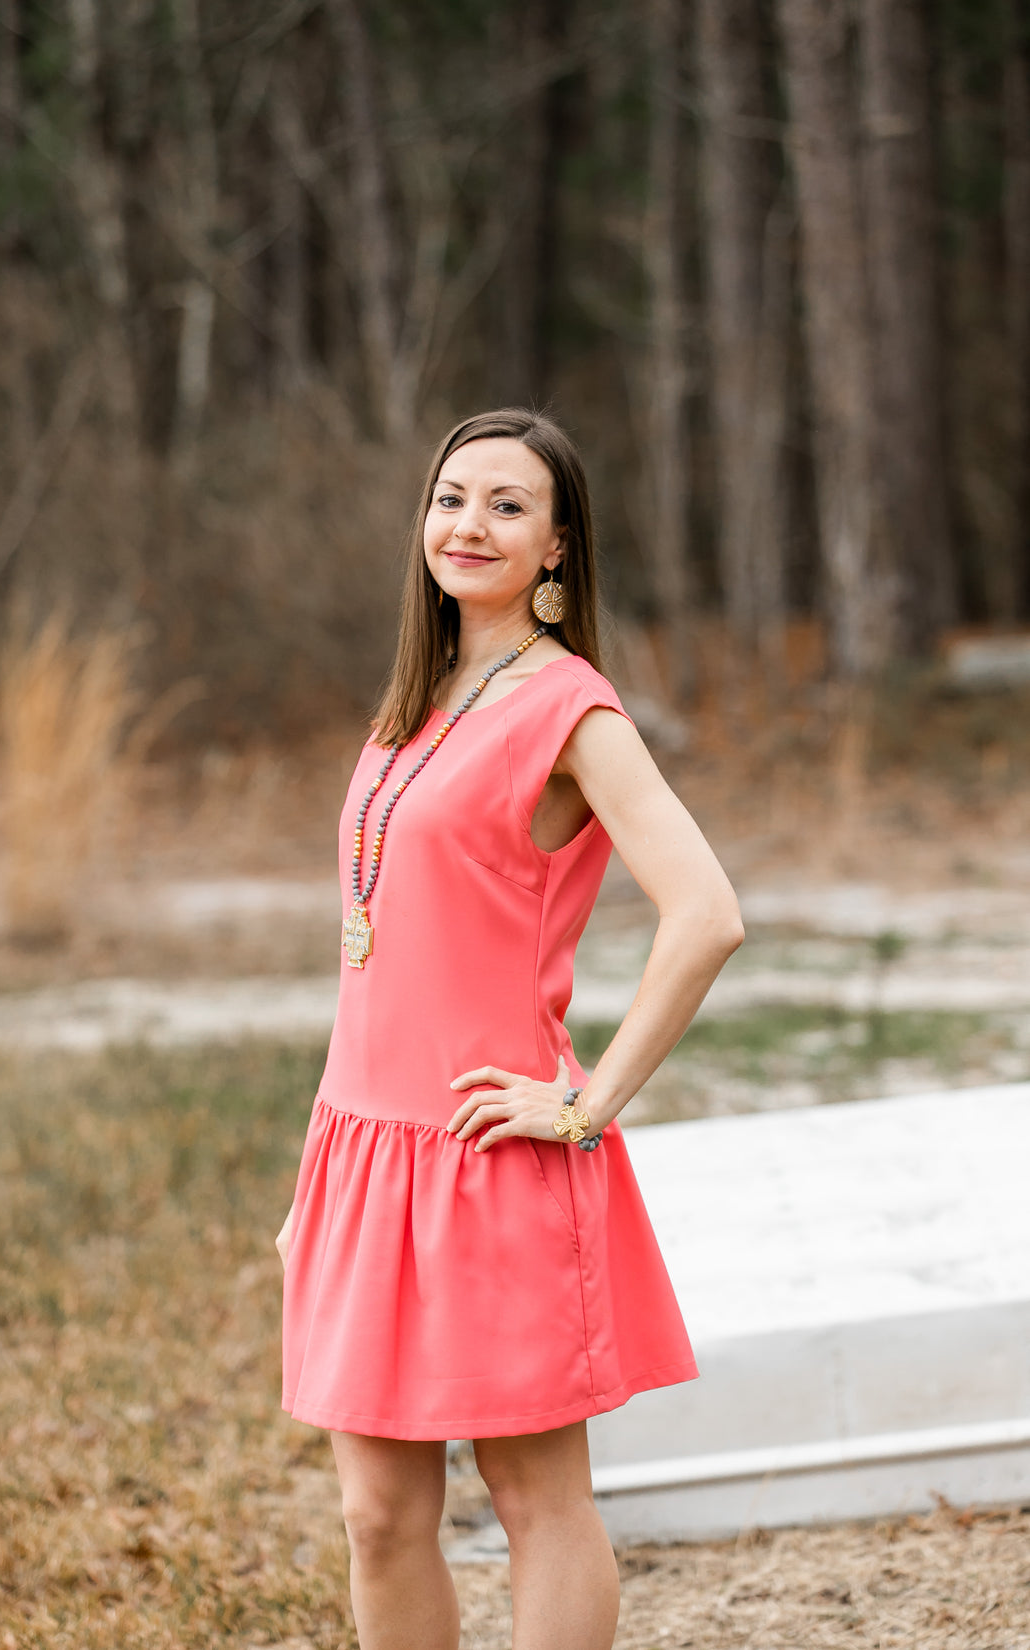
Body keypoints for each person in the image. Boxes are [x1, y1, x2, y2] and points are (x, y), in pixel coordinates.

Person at [275, 408, 744, 1650]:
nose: (467, 524)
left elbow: (705, 914)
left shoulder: (570, 711)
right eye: (449, 498)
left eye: (505, 505)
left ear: (556, 546)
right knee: (377, 1516)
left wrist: (586, 1104)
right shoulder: (415, 700)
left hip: (492, 1158)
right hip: (364, 1156)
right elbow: (375, 959)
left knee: (533, 1499)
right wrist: (313, 1189)